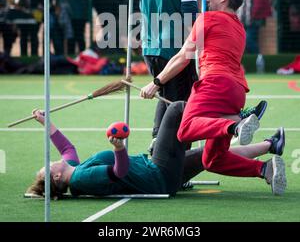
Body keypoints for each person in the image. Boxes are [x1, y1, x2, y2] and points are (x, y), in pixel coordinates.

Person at [141, 0, 286, 195]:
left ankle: (235, 125)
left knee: (186, 129)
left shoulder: (207, 19)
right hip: (236, 92)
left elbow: (183, 57)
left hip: (214, 84)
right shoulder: (238, 26)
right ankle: (265, 168)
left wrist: (156, 82)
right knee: (212, 160)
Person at [27, 102, 285, 199]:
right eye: (48, 167)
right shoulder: (82, 178)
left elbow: (67, 147)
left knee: (209, 156)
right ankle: (235, 121)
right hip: (158, 175)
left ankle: (269, 148)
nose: (51, 162)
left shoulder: (75, 168)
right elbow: (119, 171)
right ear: (56, 178)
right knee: (175, 111)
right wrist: (118, 149)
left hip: (160, 176)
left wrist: (43, 121)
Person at [138, 0, 200, 152]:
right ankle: (172, 158)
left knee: (165, 96)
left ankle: (157, 141)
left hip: (149, 46)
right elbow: (191, 17)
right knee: (181, 104)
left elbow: (141, 0)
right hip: (174, 50)